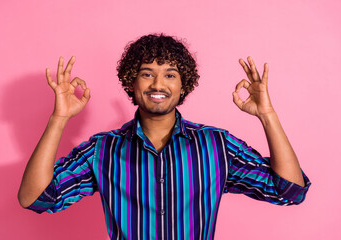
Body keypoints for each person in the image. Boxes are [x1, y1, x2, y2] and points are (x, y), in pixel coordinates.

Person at [18, 34, 310, 240]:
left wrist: (267, 115)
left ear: (184, 86)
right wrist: (59, 119)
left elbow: (289, 191)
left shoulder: (217, 145)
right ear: (131, 83)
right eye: (147, 73)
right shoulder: (102, 150)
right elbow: (36, 198)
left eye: (170, 75)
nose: (158, 83)